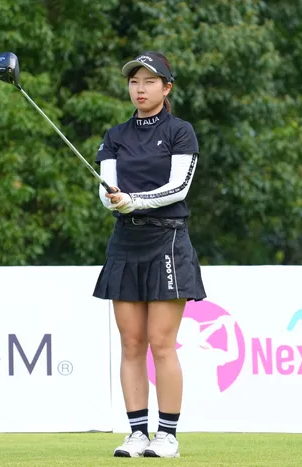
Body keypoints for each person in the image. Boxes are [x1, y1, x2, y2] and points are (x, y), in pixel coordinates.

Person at [92, 51, 207, 459]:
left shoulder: (180, 131)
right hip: (126, 241)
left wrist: (134, 200)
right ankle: (137, 433)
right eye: (134, 82)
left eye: (149, 81)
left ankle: (167, 436)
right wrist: (116, 201)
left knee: (161, 343)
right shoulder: (115, 136)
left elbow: (179, 188)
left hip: (168, 241)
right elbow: (106, 190)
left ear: (166, 87)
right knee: (131, 343)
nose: (139, 89)